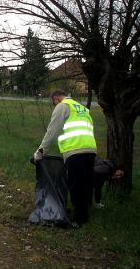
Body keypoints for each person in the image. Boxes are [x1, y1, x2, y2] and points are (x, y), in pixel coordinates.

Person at [33, 89, 97, 225]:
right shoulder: (81, 108)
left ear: (56, 98)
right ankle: (84, 212)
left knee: (76, 184)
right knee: (86, 182)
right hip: (90, 149)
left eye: (53, 102)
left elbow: (52, 131)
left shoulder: (62, 106)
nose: (54, 105)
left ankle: (79, 219)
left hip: (75, 150)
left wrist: (40, 152)